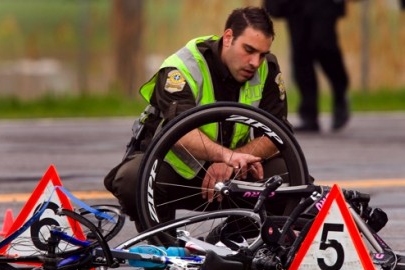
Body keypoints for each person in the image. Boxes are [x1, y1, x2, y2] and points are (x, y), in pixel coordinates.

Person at [104, 6, 292, 234]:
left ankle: (233, 242)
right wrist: (226, 156)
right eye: (249, 50)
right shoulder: (182, 68)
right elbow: (178, 131)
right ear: (228, 38)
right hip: (178, 171)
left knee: (292, 178)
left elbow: (277, 133)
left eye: (262, 54)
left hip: (233, 172)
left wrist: (231, 162)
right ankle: (162, 250)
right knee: (131, 179)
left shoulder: (266, 69)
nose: (255, 62)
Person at [264, 0, 350, 132]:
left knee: (324, 45)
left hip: (323, 4)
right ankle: (309, 114)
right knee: (301, 55)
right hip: (295, 5)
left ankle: (340, 92)